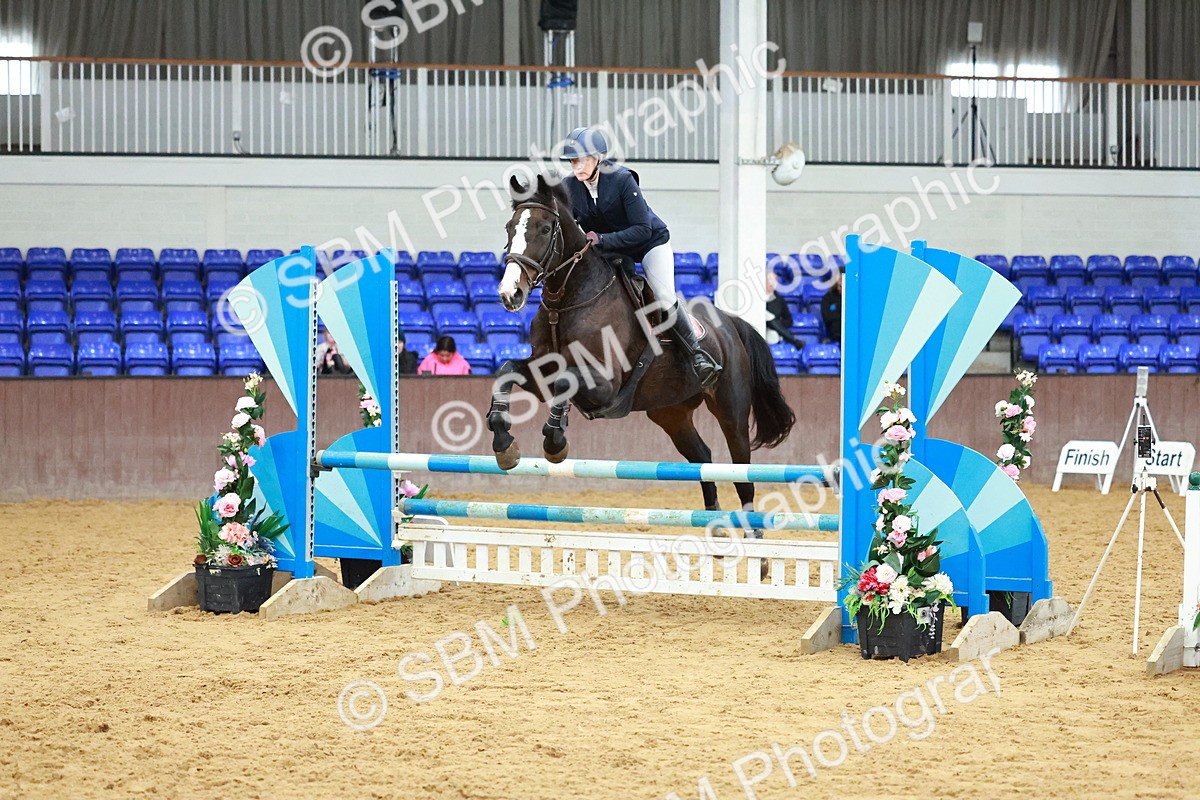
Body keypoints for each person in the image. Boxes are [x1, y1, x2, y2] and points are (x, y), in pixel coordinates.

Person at [559, 126, 722, 389]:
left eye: (581, 160)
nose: (576, 166)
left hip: (648, 243)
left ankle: (697, 355)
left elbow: (642, 228)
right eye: (572, 161)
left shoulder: (622, 180)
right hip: (614, 251)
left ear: (598, 158)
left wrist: (603, 240)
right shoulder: (570, 187)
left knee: (665, 296)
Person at [764, 271, 806, 350]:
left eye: (774, 280)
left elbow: (789, 320)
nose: (771, 283)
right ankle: (794, 340)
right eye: (769, 280)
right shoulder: (758, 299)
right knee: (768, 316)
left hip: (773, 332)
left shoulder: (780, 300)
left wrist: (777, 324)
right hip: (761, 327)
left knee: (773, 333)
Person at [820, 269, 843, 343]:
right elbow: (827, 317)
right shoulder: (828, 297)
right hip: (835, 335)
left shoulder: (855, 299)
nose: (840, 288)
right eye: (839, 285)